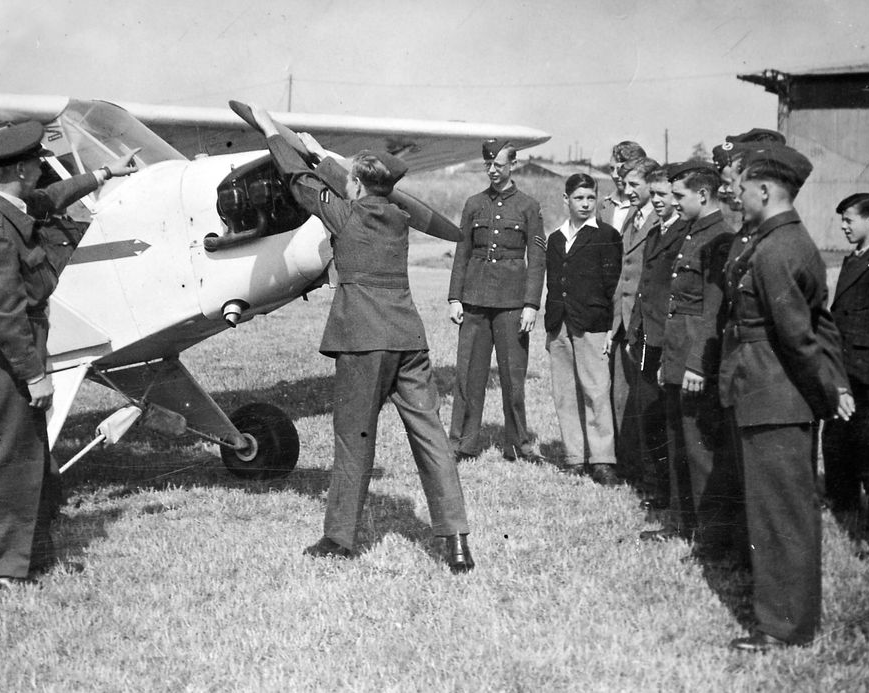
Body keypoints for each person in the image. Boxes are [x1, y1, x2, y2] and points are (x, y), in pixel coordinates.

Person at [248, 105, 474, 572]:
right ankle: (456, 539)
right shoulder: (395, 215)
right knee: (431, 440)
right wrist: (319, 154)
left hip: (362, 340)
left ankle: (340, 539)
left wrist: (274, 134)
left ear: (355, 185)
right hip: (408, 339)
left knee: (354, 441)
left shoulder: (347, 217)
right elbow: (351, 186)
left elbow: (298, 182)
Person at [0, 121, 140, 589]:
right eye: (37, 162)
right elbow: (4, 315)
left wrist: (103, 174)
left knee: (28, 455)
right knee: (8, 457)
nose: (41, 167)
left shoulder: (11, 205)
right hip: (7, 351)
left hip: (19, 346)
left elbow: (53, 197)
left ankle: (27, 558)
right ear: (21, 168)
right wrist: (34, 374)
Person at [719, 144, 853, 651]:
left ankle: (783, 626)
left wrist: (826, 393)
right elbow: (820, 324)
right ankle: (786, 616)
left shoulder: (777, 249)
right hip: (770, 391)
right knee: (780, 512)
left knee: (780, 517)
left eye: (744, 185)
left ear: (765, 189)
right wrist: (831, 385)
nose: (739, 194)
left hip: (774, 394)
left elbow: (799, 337)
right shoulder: (784, 241)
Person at [641, 162, 739, 559]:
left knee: (699, 447)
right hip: (677, 351)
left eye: (679, 196)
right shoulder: (694, 232)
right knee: (678, 440)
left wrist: (697, 363)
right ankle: (683, 525)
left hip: (697, 358)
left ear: (703, 194)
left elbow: (713, 309)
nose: (674, 202)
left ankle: (712, 538)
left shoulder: (720, 237)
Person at [447, 139, 546, 462]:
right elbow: (462, 253)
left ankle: (517, 442)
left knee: (513, 380)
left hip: (512, 304)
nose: (493, 170)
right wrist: (455, 298)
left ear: (513, 165)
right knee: (468, 377)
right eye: (488, 165)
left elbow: (537, 257)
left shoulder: (528, 206)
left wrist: (531, 304)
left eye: (499, 165)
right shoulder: (474, 203)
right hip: (475, 301)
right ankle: (463, 442)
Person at [822, 192, 869, 558]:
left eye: (849, 219)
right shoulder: (853, 260)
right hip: (845, 368)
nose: (843, 226)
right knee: (837, 441)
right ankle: (843, 505)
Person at [545, 173, 622, 478]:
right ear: (566, 200)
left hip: (592, 323)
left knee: (596, 390)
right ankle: (575, 455)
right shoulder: (555, 238)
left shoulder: (607, 235)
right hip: (559, 323)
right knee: (565, 391)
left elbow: (612, 284)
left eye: (591, 198)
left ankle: (602, 459)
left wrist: (608, 327)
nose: (586, 204)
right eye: (579, 198)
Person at [625, 166, 687, 512]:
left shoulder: (682, 234)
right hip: (647, 338)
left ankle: (667, 490)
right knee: (648, 413)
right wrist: (635, 331)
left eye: (665, 195)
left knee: (666, 417)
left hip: (669, 341)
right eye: (657, 194)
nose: (659, 200)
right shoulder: (655, 234)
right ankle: (654, 486)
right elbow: (643, 289)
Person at [609, 156, 661, 487]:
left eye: (634, 185)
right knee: (620, 396)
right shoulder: (629, 218)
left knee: (645, 400)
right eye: (625, 184)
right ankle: (626, 463)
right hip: (621, 323)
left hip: (644, 324)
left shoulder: (659, 220)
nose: (627, 191)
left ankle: (647, 469)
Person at [599, 141, 646, 230]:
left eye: (621, 169)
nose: (614, 175)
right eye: (612, 169)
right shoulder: (604, 204)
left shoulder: (649, 205)